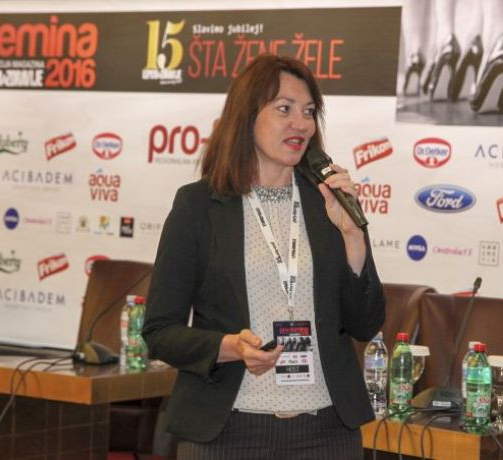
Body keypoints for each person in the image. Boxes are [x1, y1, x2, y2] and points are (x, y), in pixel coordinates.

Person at [143, 54, 386, 459]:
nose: (301, 124)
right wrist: (230, 347)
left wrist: (353, 237)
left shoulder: (329, 203)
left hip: (326, 432)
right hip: (228, 433)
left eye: (309, 111)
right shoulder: (198, 206)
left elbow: (366, 323)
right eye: (284, 109)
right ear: (246, 116)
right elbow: (160, 331)